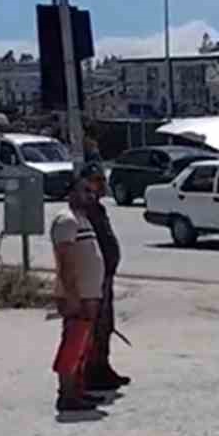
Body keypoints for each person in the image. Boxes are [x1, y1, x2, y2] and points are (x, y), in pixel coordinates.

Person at [50, 173, 107, 417]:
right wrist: (71, 294)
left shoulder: (83, 220)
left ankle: (78, 389)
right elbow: (65, 261)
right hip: (79, 295)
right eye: (84, 191)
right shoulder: (66, 221)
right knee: (73, 342)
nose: (89, 195)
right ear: (72, 193)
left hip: (90, 294)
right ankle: (66, 394)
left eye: (91, 191)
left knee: (84, 344)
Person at [80, 161, 129, 393]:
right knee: (94, 326)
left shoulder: (98, 208)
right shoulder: (83, 209)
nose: (100, 185)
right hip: (92, 277)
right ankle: (90, 372)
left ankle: (103, 367)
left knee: (106, 325)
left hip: (105, 275)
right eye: (95, 181)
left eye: (102, 181)